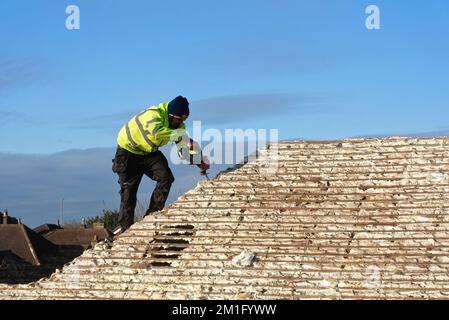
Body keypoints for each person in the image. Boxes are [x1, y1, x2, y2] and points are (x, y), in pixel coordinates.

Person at [111, 96, 209, 235]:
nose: (180, 123)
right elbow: (157, 133)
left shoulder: (179, 127)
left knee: (166, 178)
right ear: (170, 115)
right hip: (128, 152)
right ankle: (125, 228)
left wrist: (200, 162)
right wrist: (184, 138)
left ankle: (151, 216)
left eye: (183, 120)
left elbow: (183, 152)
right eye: (179, 119)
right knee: (129, 191)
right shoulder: (153, 115)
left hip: (148, 153)